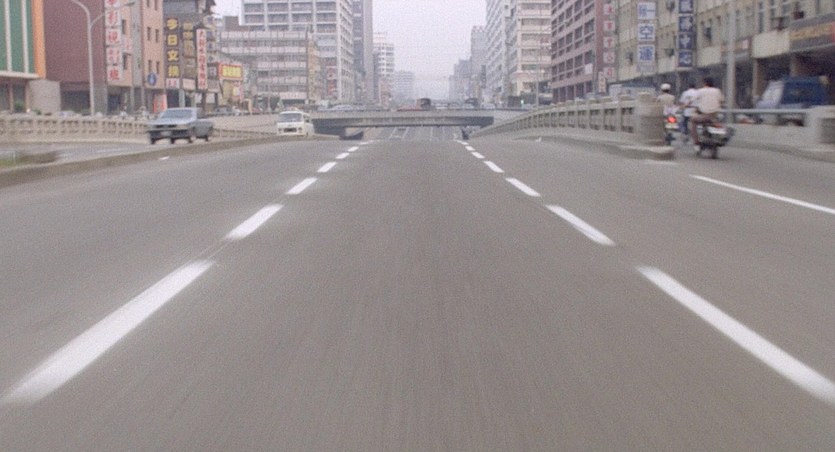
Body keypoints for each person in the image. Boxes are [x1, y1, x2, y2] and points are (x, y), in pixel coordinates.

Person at [689, 76, 724, 148]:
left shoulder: (701, 91)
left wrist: (686, 105)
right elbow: (722, 101)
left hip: (704, 116)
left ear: (704, 83)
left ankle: (696, 141)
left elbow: (691, 100)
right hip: (714, 116)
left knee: (693, 120)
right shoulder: (717, 91)